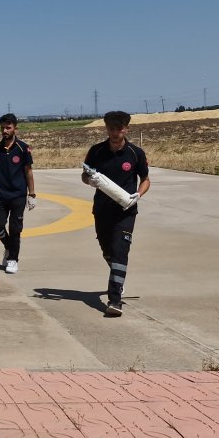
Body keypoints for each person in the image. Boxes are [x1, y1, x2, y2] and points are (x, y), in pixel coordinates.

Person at [82, 110, 150, 318]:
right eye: (111, 128)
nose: (115, 132)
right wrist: (89, 180)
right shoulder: (96, 151)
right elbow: (85, 175)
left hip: (125, 211)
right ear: (107, 129)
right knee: (107, 251)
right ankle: (118, 276)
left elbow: (146, 179)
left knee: (120, 252)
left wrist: (138, 195)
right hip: (102, 210)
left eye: (119, 128)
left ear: (126, 129)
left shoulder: (135, 153)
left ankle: (114, 299)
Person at [0, 113, 35, 274]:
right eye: (2, 128)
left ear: (15, 128)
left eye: (8, 127)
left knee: (15, 229)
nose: (5, 130)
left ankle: (13, 259)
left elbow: (29, 172)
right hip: (2, 196)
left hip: (18, 196)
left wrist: (32, 194)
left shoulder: (23, 148)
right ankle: (9, 246)